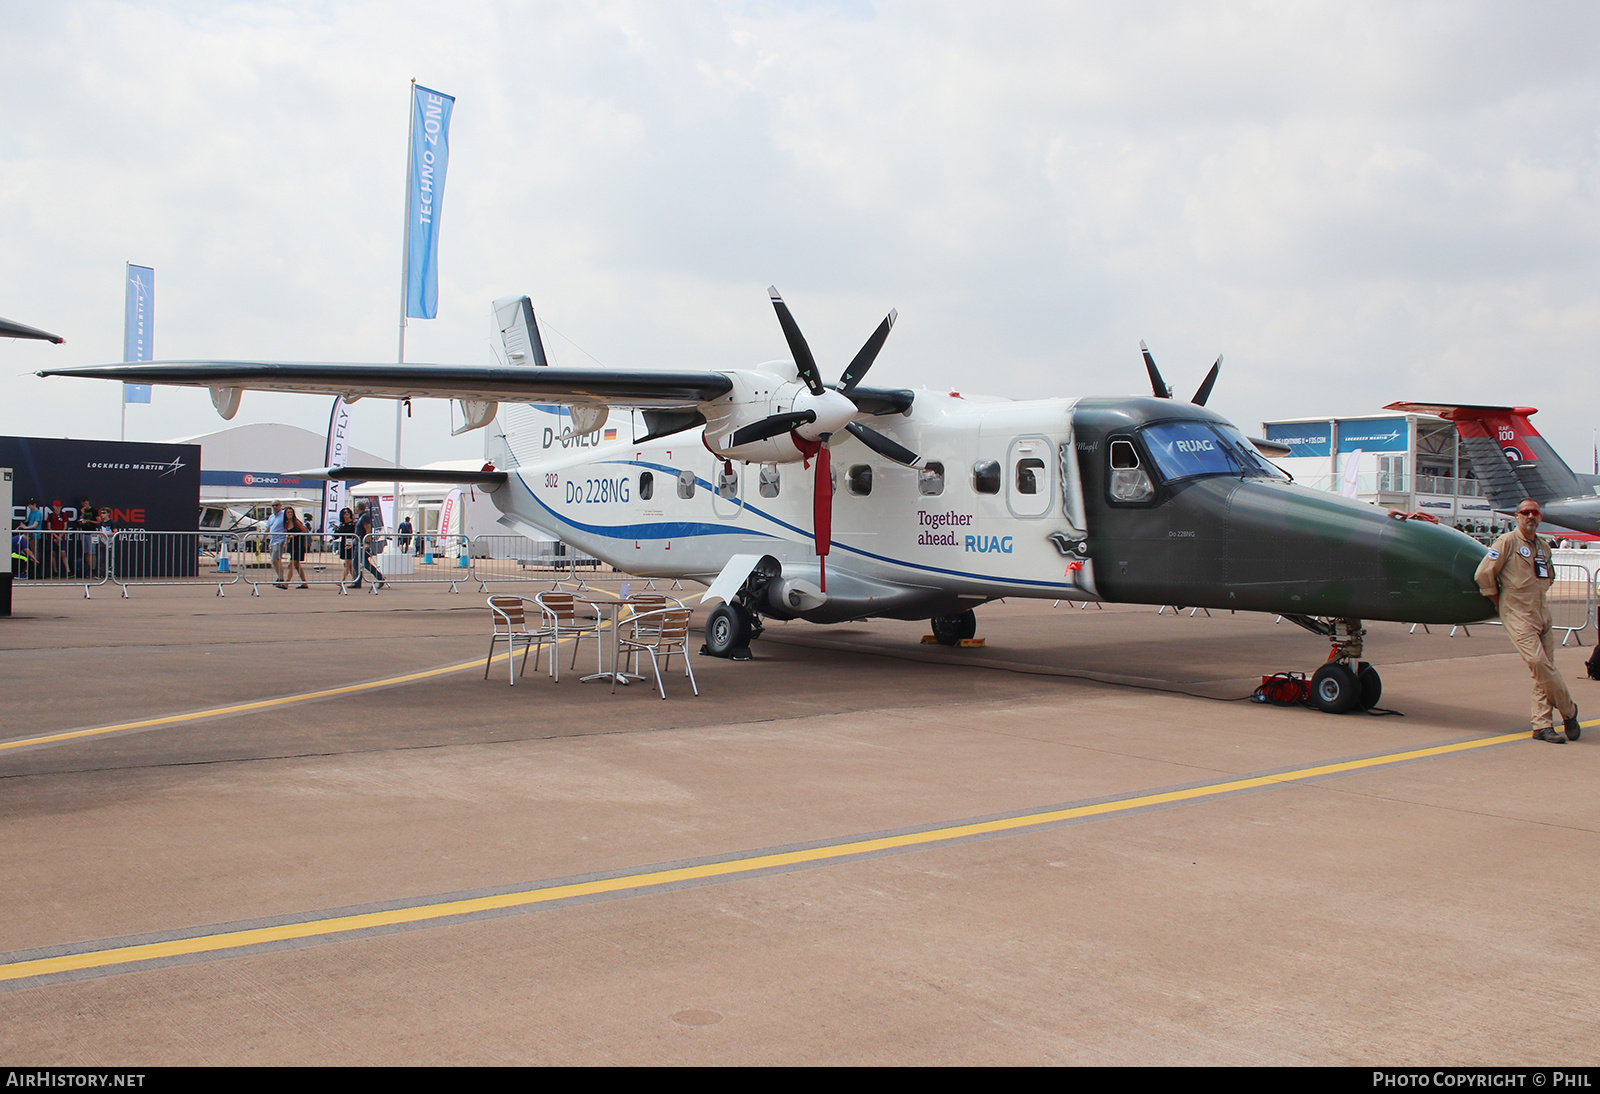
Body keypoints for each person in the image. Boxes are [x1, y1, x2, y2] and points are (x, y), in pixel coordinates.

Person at [1475, 498, 1581, 743]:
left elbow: (1549, 575)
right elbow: (1483, 573)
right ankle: (1569, 711)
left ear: (1540, 517)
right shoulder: (1507, 542)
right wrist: (1499, 601)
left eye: (1535, 512)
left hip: (1541, 612)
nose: (1530, 516)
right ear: (1517, 516)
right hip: (1517, 613)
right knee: (1538, 662)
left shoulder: (1543, 546)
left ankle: (1542, 726)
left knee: (1542, 669)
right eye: (1525, 512)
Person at [352, 500, 386, 589]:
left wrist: (366, 542)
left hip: (362, 543)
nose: (355, 509)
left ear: (358, 508)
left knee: (361, 562)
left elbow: (368, 530)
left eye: (356, 507)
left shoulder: (364, 517)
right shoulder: (361, 517)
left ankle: (378, 577)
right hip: (359, 542)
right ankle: (359, 581)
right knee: (359, 562)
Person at [283, 508, 311, 588]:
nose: (289, 514)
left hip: (298, 544)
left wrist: (295, 534)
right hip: (292, 544)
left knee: (291, 564)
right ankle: (304, 583)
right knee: (297, 565)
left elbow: (304, 531)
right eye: (288, 512)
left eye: (291, 512)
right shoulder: (286, 523)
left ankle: (286, 583)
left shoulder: (296, 522)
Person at [266, 501, 288, 588]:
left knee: (276, 559)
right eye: (273, 505)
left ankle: (281, 578)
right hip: (272, 541)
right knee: (273, 561)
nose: (274, 507)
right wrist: (263, 540)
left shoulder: (284, 515)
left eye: (276, 505)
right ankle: (279, 577)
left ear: (280, 506)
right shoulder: (271, 517)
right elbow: (267, 528)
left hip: (280, 540)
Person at [334, 507, 357, 585]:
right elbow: (337, 534)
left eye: (348, 512)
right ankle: (355, 580)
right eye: (344, 513)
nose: (346, 514)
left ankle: (342, 580)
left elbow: (356, 535)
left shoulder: (353, 524)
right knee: (349, 564)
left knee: (347, 563)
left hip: (351, 544)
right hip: (344, 544)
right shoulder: (342, 525)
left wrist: (353, 542)